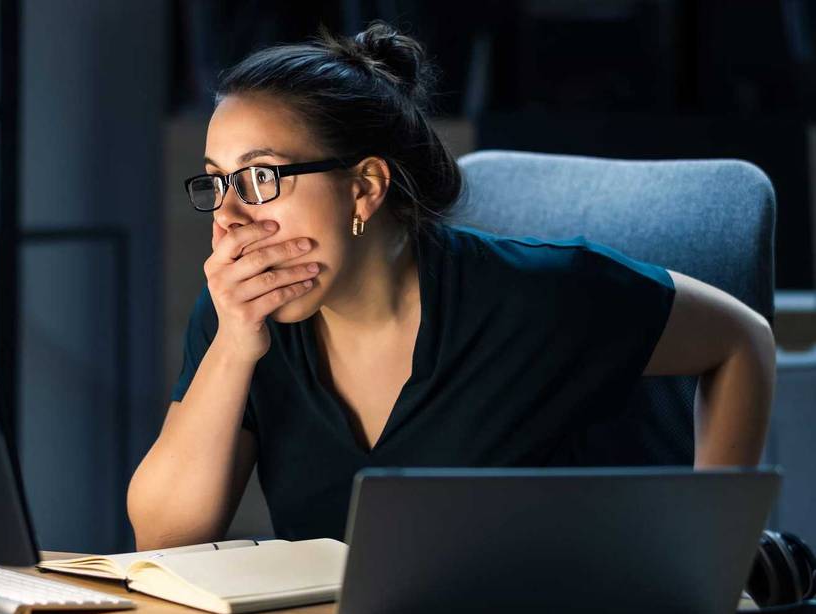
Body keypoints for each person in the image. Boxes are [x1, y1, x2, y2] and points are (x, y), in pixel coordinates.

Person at [127, 21, 776, 551]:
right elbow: (163, 535)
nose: (229, 217)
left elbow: (739, 339)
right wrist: (234, 350)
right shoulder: (240, 318)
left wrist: (714, 555)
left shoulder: (539, 295)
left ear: (365, 186)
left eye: (261, 177)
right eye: (215, 182)